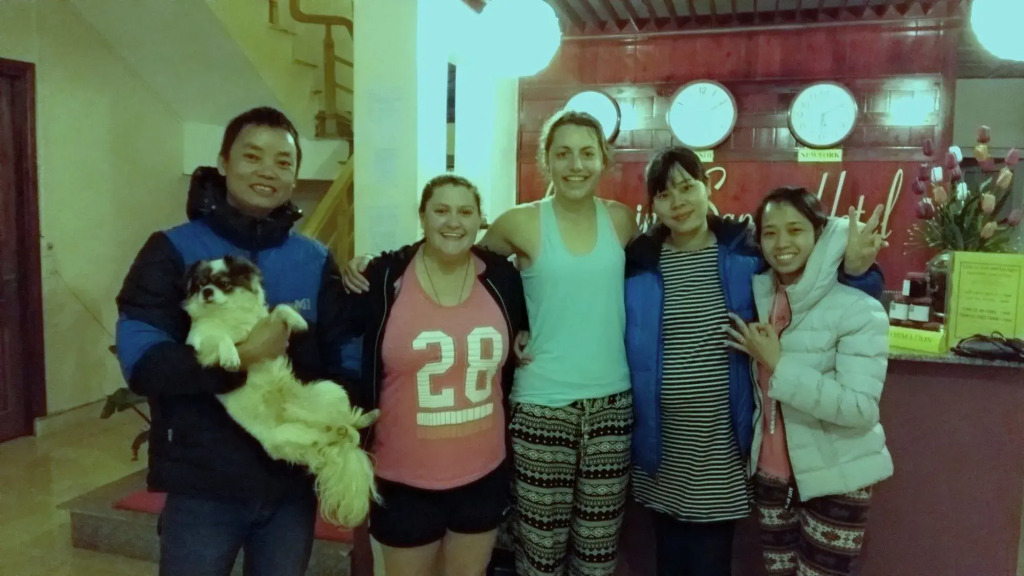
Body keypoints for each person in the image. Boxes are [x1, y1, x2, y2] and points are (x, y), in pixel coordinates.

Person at [343, 110, 638, 576]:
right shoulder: (518, 223)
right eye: (563, 153)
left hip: (612, 405)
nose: (576, 164)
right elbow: (465, 259)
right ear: (547, 160)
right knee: (539, 555)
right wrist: (378, 264)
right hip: (542, 405)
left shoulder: (621, 221)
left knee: (598, 555)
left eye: (587, 153)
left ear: (603, 158)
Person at [115, 107, 358, 576]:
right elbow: (142, 360)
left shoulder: (313, 258)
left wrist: (336, 425)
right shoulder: (172, 249)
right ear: (224, 162)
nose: (267, 171)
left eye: (283, 162)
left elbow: (346, 351)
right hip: (204, 484)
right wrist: (240, 359)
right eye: (252, 156)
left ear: (294, 175)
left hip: (290, 483)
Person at [624, 147, 885, 576]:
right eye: (665, 194)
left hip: (723, 443)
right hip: (661, 442)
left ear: (708, 186)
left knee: (710, 560)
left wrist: (860, 270)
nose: (679, 201)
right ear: (653, 204)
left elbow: (818, 278)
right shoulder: (640, 261)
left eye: (687, 187)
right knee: (668, 557)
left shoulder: (745, 251)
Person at [337, 174, 527, 576]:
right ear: (422, 216)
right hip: (402, 479)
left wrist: (525, 337)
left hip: (483, 473)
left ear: (480, 220)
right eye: (441, 210)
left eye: (465, 212)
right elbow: (339, 347)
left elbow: (525, 331)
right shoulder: (383, 276)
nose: (453, 221)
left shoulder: (501, 278)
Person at [725, 187, 893, 576]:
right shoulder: (762, 299)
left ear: (819, 234)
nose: (782, 243)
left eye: (795, 230)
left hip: (836, 478)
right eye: (770, 232)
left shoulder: (858, 309)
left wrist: (778, 364)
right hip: (771, 475)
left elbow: (860, 408)